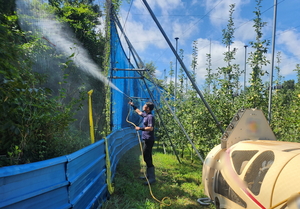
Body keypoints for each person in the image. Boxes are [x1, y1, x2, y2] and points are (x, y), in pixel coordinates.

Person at [129, 101, 156, 184]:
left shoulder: (150, 117)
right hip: (146, 139)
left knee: (147, 157)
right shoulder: (146, 115)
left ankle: (152, 178)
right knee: (146, 156)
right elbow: (139, 112)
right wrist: (133, 105)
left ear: (148, 108)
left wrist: (140, 128)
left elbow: (150, 128)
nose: (143, 106)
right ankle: (148, 175)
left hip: (149, 139)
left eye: (145, 105)